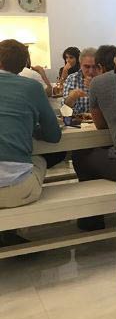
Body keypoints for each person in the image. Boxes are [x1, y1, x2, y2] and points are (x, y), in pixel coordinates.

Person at [0, 39, 61, 245]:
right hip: (17, 190)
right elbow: (54, 136)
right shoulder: (32, 87)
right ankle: (11, 230)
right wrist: (30, 128)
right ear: (23, 65)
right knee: (38, 161)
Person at [71, 44, 116, 231]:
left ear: (100, 67)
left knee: (80, 155)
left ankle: (91, 218)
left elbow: (101, 125)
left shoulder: (99, 83)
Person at [62, 47, 97, 114]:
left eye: (94, 67)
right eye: (87, 67)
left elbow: (111, 107)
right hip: (77, 119)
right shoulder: (72, 78)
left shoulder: (104, 79)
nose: (91, 71)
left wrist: (95, 89)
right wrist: (71, 98)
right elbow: (65, 110)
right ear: (80, 65)